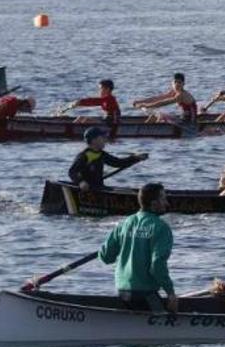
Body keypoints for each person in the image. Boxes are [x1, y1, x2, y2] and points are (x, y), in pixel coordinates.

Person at [99, 182, 177, 313]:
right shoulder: (161, 227)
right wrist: (171, 293)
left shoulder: (124, 223)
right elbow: (157, 264)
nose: (166, 203)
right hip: (145, 293)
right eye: (163, 198)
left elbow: (106, 257)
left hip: (122, 291)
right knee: (170, 318)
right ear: (154, 204)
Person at [69, 127, 148, 191]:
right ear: (94, 140)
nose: (106, 140)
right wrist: (81, 182)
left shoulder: (102, 154)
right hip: (88, 189)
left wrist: (136, 158)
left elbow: (118, 163)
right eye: (102, 137)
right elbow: (72, 172)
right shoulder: (84, 156)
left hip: (99, 188)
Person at [133, 73, 198, 123]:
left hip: (189, 122)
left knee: (159, 115)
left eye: (179, 82)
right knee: (155, 116)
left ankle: (146, 129)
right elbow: (159, 98)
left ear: (183, 84)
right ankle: (147, 128)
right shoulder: (174, 91)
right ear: (172, 83)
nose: (177, 84)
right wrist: (140, 101)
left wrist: (145, 105)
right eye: (175, 82)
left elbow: (163, 103)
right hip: (183, 118)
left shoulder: (181, 95)